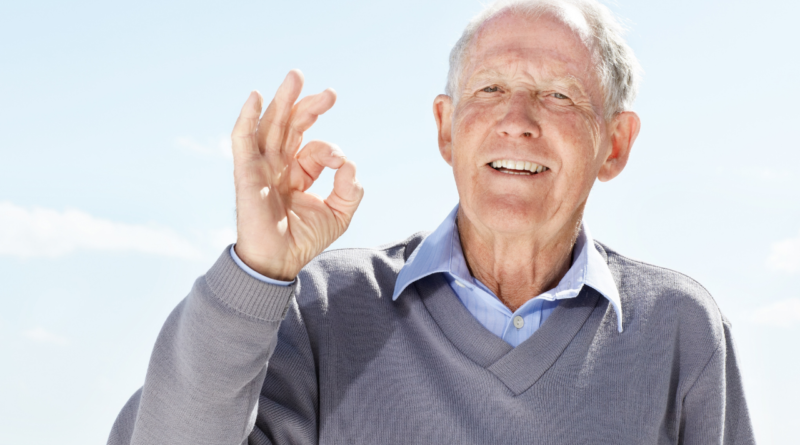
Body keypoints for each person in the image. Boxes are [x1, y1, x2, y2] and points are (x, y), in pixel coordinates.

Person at [108, 0, 755, 443]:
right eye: (489, 90)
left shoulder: (679, 327)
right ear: (446, 129)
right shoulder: (325, 306)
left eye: (559, 94)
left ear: (614, 144)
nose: (518, 119)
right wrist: (256, 271)